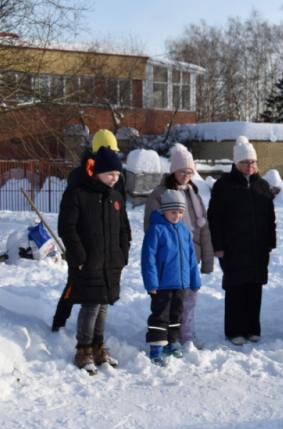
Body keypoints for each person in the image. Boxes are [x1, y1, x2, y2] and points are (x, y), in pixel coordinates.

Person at [57, 147, 131, 374]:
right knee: (90, 306)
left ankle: (99, 347)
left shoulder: (115, 198)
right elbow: (67, 227)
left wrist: (122, 254)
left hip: (110, 263)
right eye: (110, 174)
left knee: (103, 305)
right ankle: (83, 349)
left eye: (118, 175)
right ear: (96, 171)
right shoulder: (78, 193)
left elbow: (124, 230)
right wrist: (79, 256)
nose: (114, 178)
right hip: (88, 262)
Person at [52, 129, 126, 332]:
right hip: (86, 244)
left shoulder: (115, 174)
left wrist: (120, 251)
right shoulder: (82, 176)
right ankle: (60, 320)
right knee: (75, 283)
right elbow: (70, 219)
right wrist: (80, 254)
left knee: (99, 296)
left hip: (106, 243)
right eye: (109, 149)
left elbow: (120, 209)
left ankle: (95, 339)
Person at [207, 136, 276, 346]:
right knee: (236, 289)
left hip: (258, 248)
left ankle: (252, 328)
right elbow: (214, 218)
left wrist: (270, 242)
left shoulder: (262, 185)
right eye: (245, 162)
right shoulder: (224, 186)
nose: (250, 166)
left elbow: (270, 218)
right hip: (233, 248)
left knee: (254, 288)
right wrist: (218, 246)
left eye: (253, 162)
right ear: (236, 163)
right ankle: (234, 330)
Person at [143, 144, 214, 350]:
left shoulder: (194, 193)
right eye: (182, 171)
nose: (186, 175)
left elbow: (204, 227)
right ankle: (164, 338)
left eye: (190, 172)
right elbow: (153, 228)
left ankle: (186, 335)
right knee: (166, 305)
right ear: (173, 171)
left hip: (191, 255)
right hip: (168, 261)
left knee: (188, 301)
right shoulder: (161, 194)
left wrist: (207, 259)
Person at [141, 190, 201, 366]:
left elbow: (191, 258)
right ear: (164, 210)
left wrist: (194, 279)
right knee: (161, 315)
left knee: (176, 314)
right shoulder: (156, 230)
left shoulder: (184, 230)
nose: (177, 216)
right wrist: (151, 282)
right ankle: (156, 348)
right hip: (162, 284)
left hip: (181, 283)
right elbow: (148, 259)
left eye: (180, 212)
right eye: (173, 212)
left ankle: (171, 342)